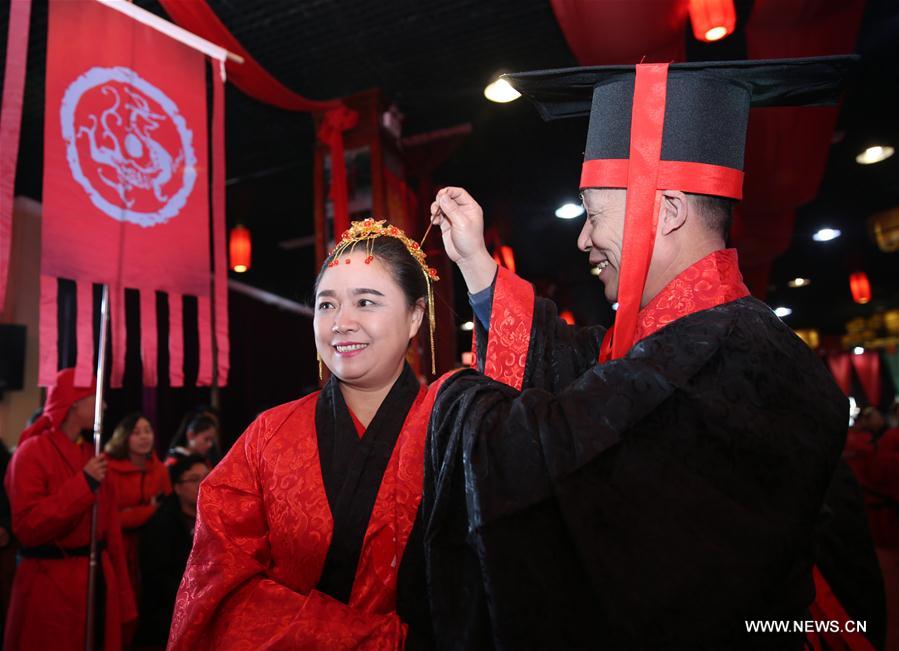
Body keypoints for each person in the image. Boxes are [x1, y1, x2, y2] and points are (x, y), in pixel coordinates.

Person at [423, 57, 885, 650]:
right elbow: (589, 372)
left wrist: (445, 406)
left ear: (666, 212)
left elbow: (560, 451)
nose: (583, 238)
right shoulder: (687, 341)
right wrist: (479, 268)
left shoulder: (729, 356)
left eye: (593, 214)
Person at [170, 219, 493, 649]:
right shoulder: (267, 435)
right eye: (326, 305)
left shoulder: (454, 427)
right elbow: (217, 585)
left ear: (415, 316)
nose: (341, 322)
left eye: (366, 302)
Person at [4, 368, 136, 650]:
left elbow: (110, 529)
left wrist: (123, 595)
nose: (104, 406)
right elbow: (29, 527)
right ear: (75, 403)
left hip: (95, 578)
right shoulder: (31, 454)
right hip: (49, 583)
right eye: (96, 397)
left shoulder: (93, 455)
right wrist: (83, 484)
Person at [134, 454, 208, 648]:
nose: (203, 483)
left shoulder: (217, 519)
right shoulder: (161, 524)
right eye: (193, 479)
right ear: (176, 488)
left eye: (207, 476)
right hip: (169, 614)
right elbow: (156, 578)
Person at [105, 412, 173, 603]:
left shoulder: (159, 469)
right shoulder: (108, 468)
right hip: (118, 547)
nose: (144, 437)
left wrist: (134, 512)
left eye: (148, 431)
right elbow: (113, 518)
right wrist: (150, 509)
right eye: (136, 432)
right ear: (123, 436)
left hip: (151, 547)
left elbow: (166, 510)